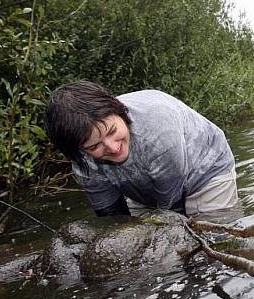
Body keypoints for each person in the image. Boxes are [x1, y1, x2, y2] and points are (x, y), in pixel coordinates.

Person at [45, 81, 239, 217]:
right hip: (146, 186)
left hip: (206, 171)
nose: (112, 147)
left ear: (119, 111)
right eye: (95, 146)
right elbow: (111, 217)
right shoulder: (83, 164)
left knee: (212, 240)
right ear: (79, 151)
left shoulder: (158, 128)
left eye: (112, 131)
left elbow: (172, 210)